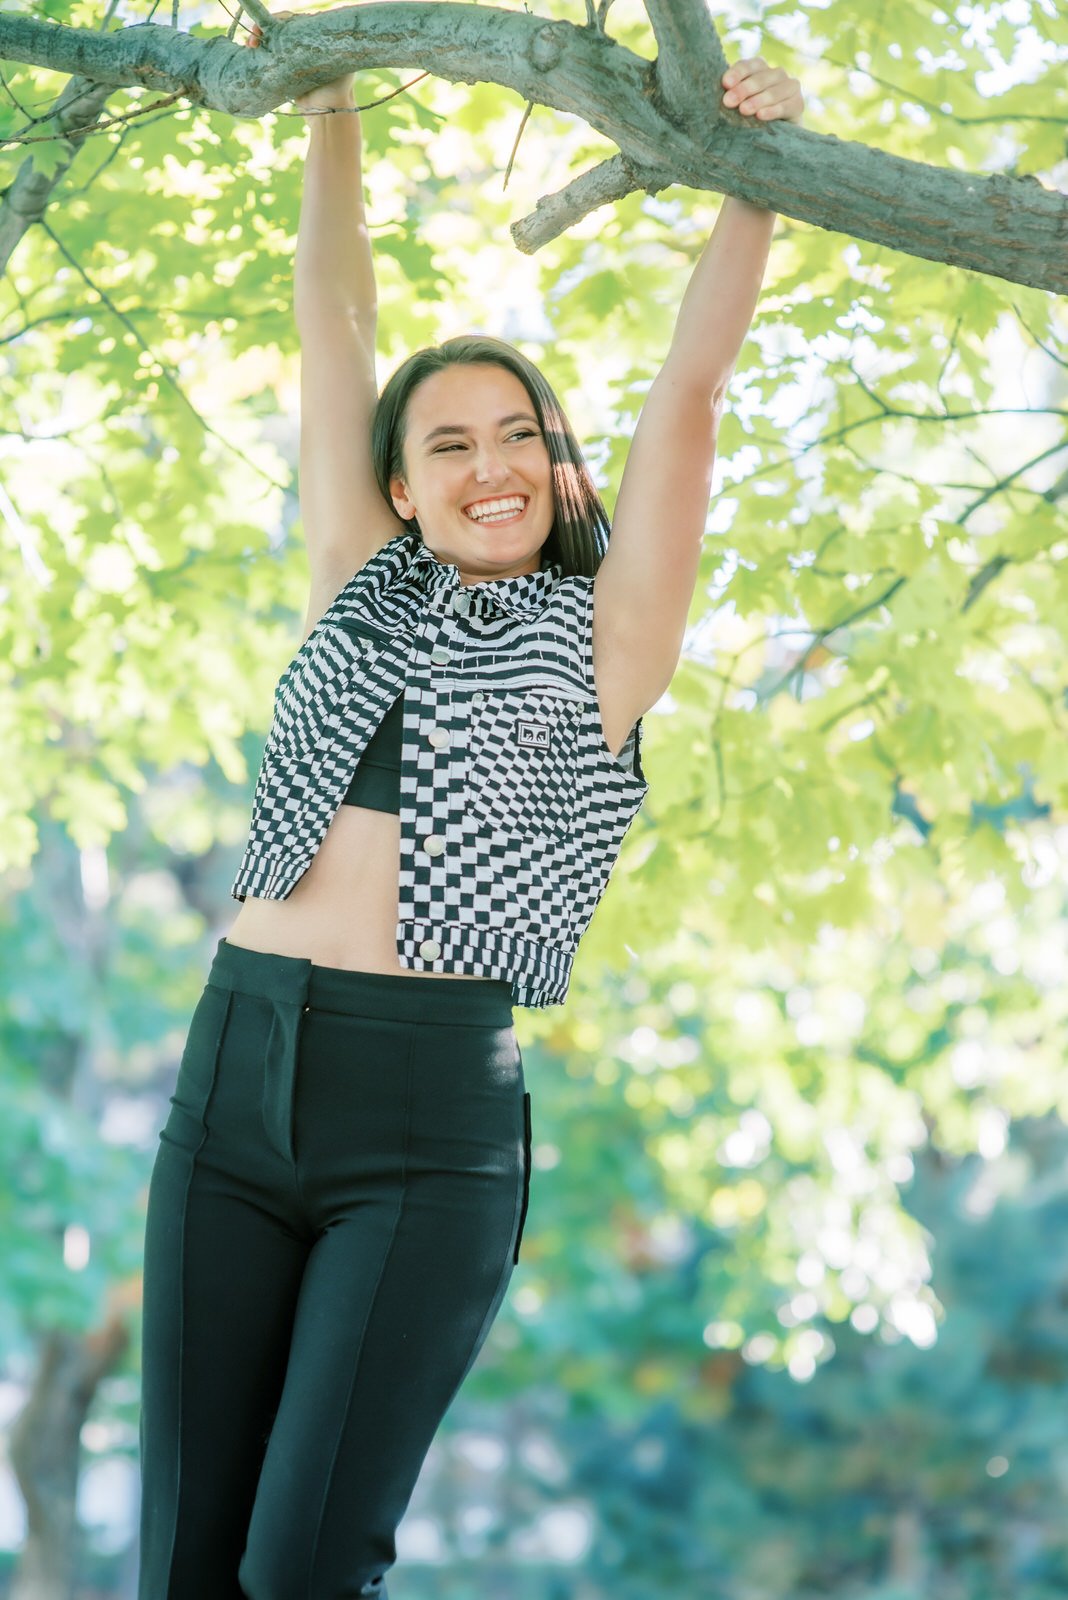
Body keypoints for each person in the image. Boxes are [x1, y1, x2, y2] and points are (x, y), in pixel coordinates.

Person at [137, 10, 804, 1597]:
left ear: (566, 473)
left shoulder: (608, 644)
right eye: (448, 442)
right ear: (399, 484)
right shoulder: (356, 583)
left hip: (426, 1127)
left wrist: (755, 179)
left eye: (522, 436)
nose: (489, 463)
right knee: (183, 1564)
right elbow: (335, 326)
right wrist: (329, 86)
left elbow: (692, 397)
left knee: (301, 1566)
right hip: (231, 1073)